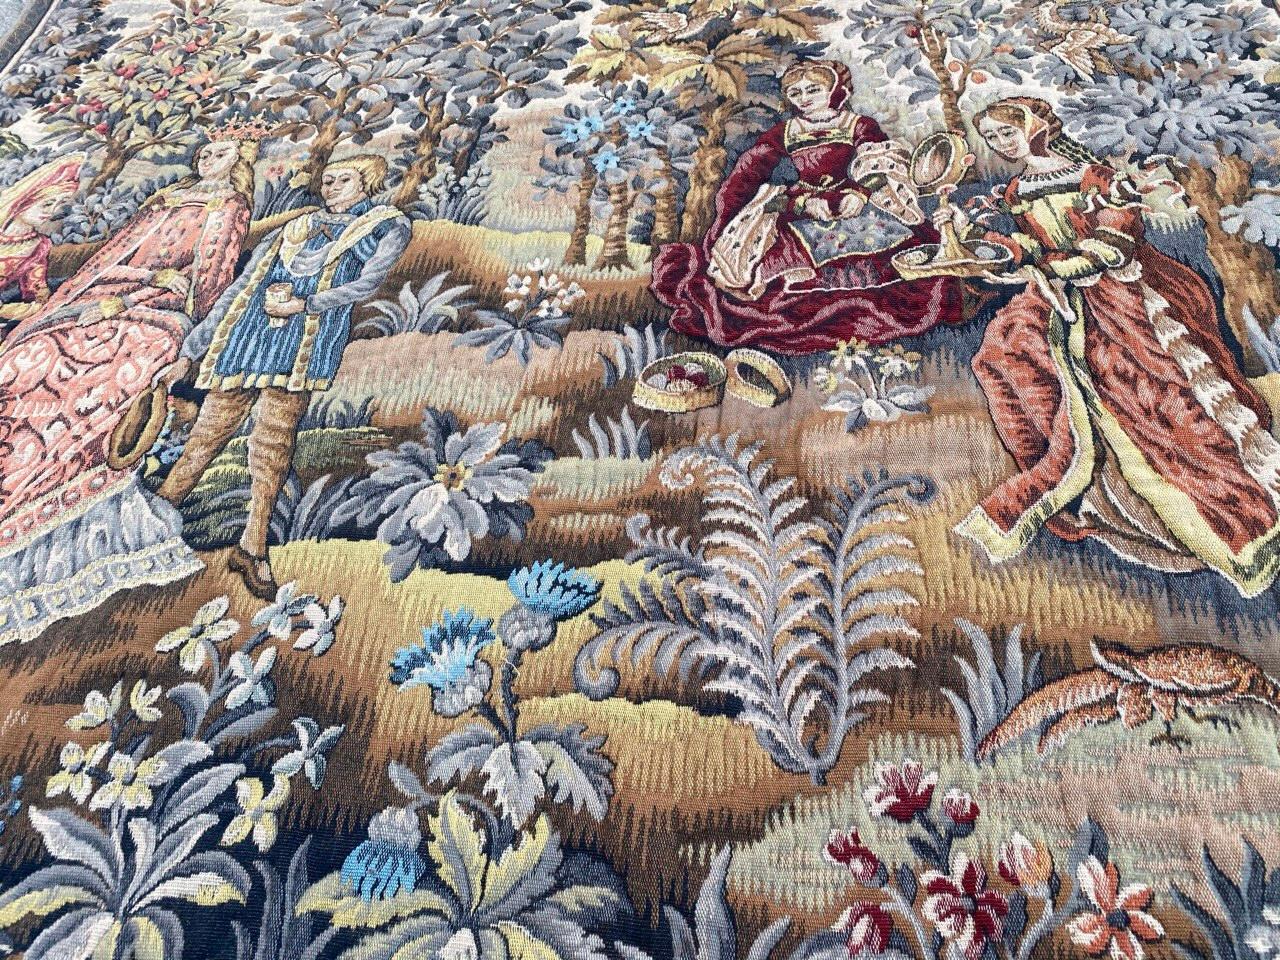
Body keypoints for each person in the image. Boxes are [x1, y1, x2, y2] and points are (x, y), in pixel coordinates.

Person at [939, 96, 1280, 598]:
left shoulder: (1094, 177)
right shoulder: (1016, 189)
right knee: (1002, 352)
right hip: (1057, 293)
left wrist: (1056, 267)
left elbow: (1115, 242)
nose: (1001, 144)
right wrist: (989, 245)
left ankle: (1223, 514)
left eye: (1007, 133)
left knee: (1143, 388)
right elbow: (1031, 244)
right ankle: (1091, 488)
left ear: (1036, 127)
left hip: (1119, 291)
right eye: (991, 138)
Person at [0, 129, 257, 644]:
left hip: (160, 313)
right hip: (105, 301)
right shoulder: (163, 200)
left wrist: (176, 317)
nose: (208, 159)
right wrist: (84, 302)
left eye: (221, 154)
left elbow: (208, 280)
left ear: (238, 161)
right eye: (205, 151)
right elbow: (107, 263)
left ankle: (50, 494)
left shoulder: (228, 207)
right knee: (30, 356)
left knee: (119, 363)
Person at [157, 154, 411, 599]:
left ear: (367, 183)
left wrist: (305, 305)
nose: (331, 187)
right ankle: (157, 522)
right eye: (327, 180)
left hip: (303, 343)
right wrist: (192, 351)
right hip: (246, 337)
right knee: (207, 434)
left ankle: (252, 547)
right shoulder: (296, 228)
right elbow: (242, 287)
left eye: (343, 180)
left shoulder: (383, 227)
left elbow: (366, 285)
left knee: (273, 442)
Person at [651, 59, 961, 355]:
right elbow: (748, 171)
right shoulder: (785, 131)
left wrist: (861, 193)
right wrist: (798, 204)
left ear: (834, 90)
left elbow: (878, 161)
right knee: (780, 252)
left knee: (889, 237)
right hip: (804, 203)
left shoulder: (858, 124)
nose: (804, 98)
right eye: (795, 92)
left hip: (853, 198)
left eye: (813, 90)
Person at [0, 155, 82, 332]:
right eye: (47, 204)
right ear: (26, 200)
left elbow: (36, 291)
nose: (51, 212)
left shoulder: (38, 246)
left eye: (60, 204)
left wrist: (37, 306)